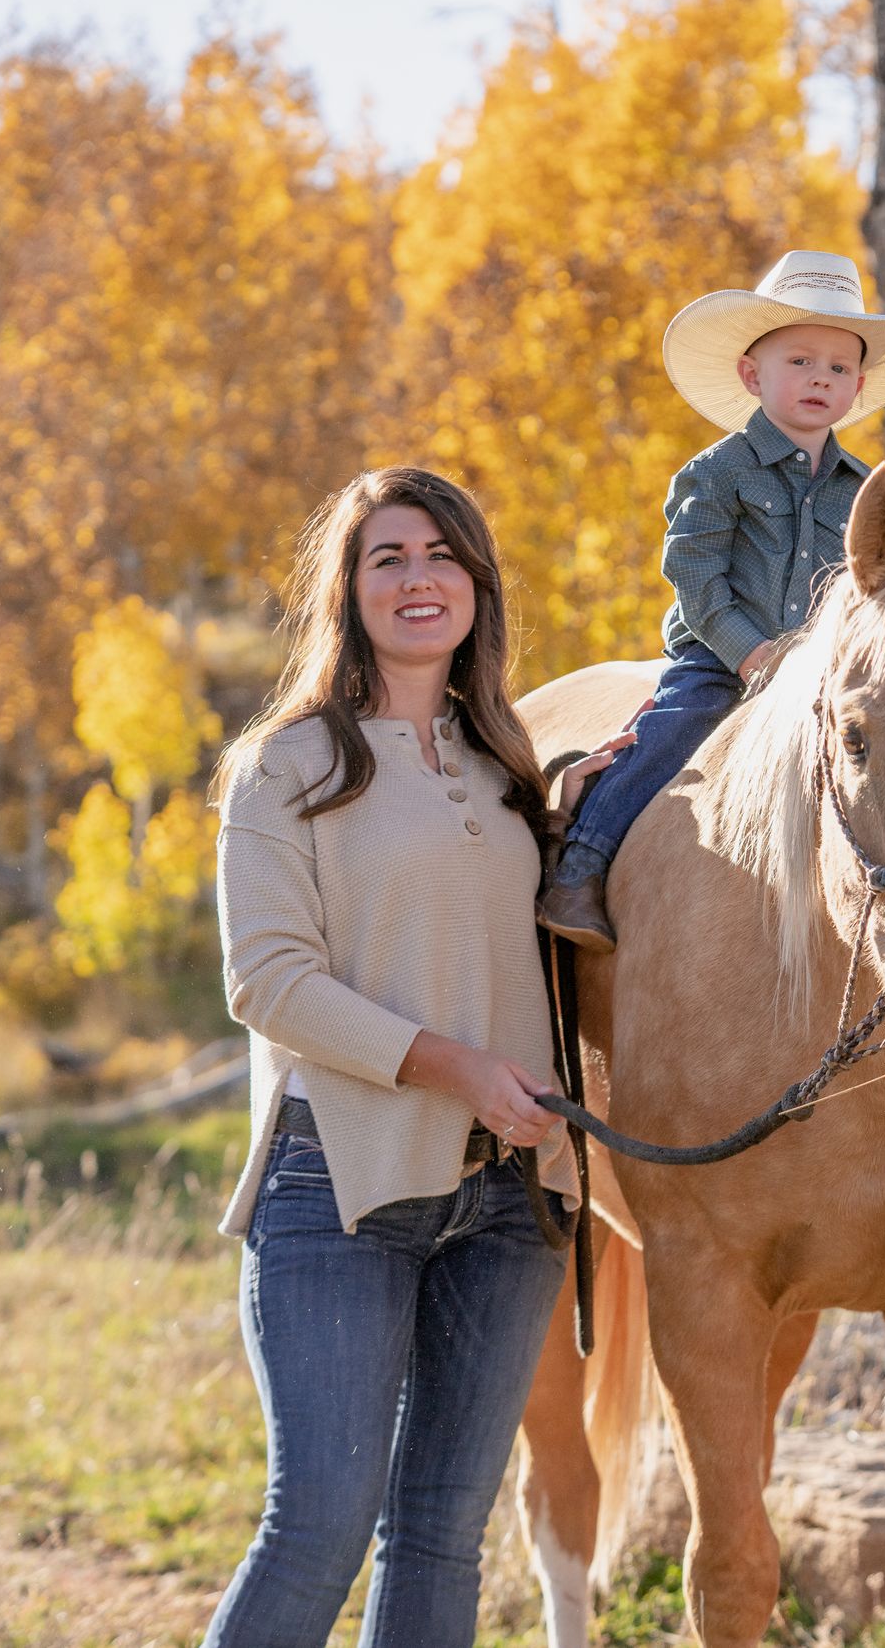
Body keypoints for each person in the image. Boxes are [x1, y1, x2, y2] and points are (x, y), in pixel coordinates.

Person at [205, 467, 618, 1647]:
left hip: (505, 1197)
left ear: (478, 586)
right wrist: (459, 1067)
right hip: (340, 1183)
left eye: (442, 554)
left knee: (441, 1532)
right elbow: (267, 982)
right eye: (387, 555)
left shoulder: (503, 763)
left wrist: (566, 811)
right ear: (347, 588)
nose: (418, 576)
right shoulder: (285, 767)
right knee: (319, 1524)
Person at [536, 249, 885, 949]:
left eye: (839, 367)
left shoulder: (863, 487)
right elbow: (694, 575)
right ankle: (584, 860)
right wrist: (751, 654)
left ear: (858, 386)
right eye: (801, 361)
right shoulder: (717, 472)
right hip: (723, 656)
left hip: (823, 668)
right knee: (675, 727)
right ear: (754, 374)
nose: (821, 377)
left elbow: (877, 586)